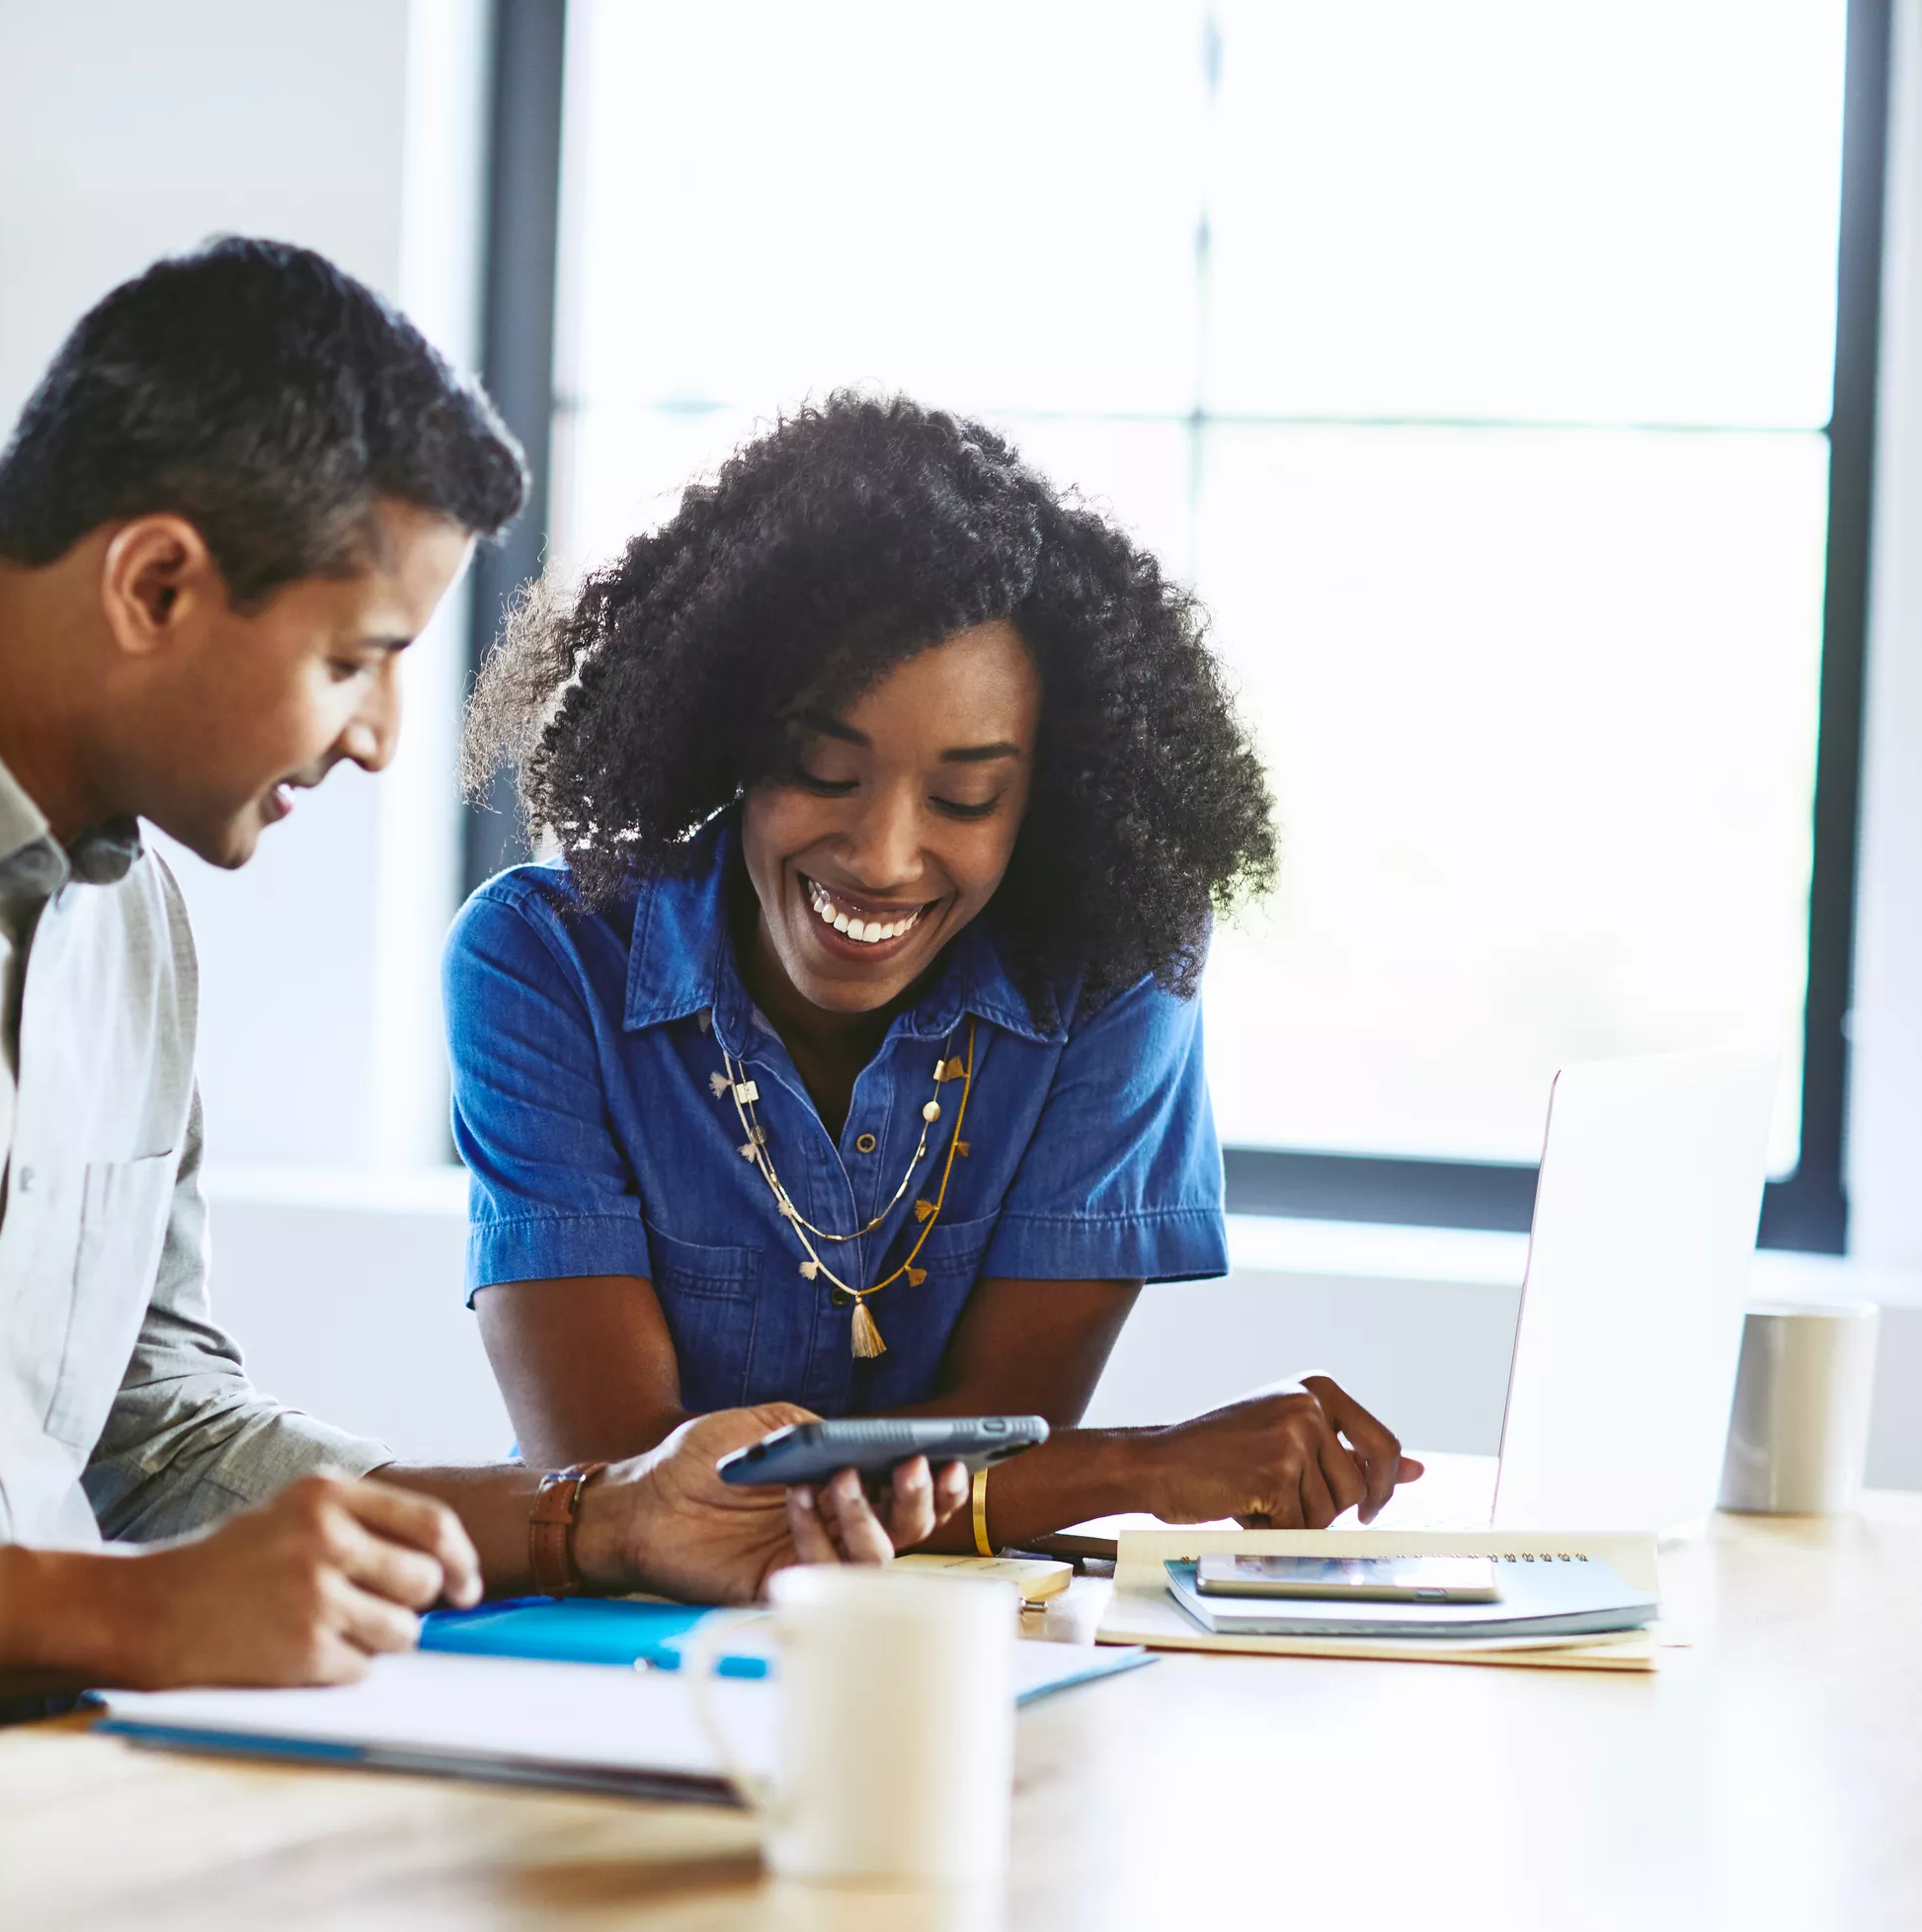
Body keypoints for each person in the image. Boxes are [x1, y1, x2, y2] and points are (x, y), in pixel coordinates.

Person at [0, 241, 954, 1701]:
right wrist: (122, 1620)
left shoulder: (128, 919)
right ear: (156, 584)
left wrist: (600, 1519)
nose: (378, 736)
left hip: (54, 1800)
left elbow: (148, 1432)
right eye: (357, 659)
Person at [448, 393, 1424, 1549]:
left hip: (957, 1643)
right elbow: (636, 1492)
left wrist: (1058, 1472)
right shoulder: (545, 959)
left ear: (1045, 796)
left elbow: (999, 1441)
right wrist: (1142, 1467)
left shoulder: (1112, 976)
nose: (882, 855)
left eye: (966, 798)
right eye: (820, 768)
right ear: (727, 740)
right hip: (599, 1654)